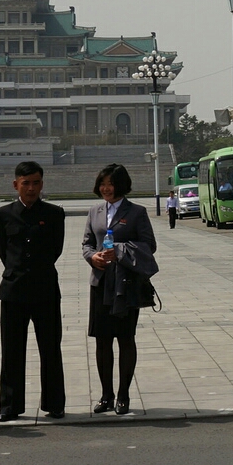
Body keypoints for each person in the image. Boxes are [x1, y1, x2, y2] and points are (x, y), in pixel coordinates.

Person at [0, 160, 67, 421]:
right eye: (26, 183)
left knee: (50, 348)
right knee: (12, 350)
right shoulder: (3, 214)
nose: (31, 188)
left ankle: (54, 403)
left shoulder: (55, 214)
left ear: (42, 184)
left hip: (45, 290)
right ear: (16, 185)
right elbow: (4, 251)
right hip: (13, 292)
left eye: (36, 183)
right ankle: (10, 406)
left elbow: (55, 250)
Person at [82, 163, 157, 415]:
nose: (105, 188)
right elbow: (87, 243)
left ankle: (123, 395)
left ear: (121, 185)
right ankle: (106, 396)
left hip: (126, 285)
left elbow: (148, 245)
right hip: (101, 282)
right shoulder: (94, 211)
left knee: (125, 339)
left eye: (110, 184)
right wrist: (93, 257)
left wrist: (120, 251)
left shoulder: (136, 212)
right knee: (102, 342)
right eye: (102, 183)